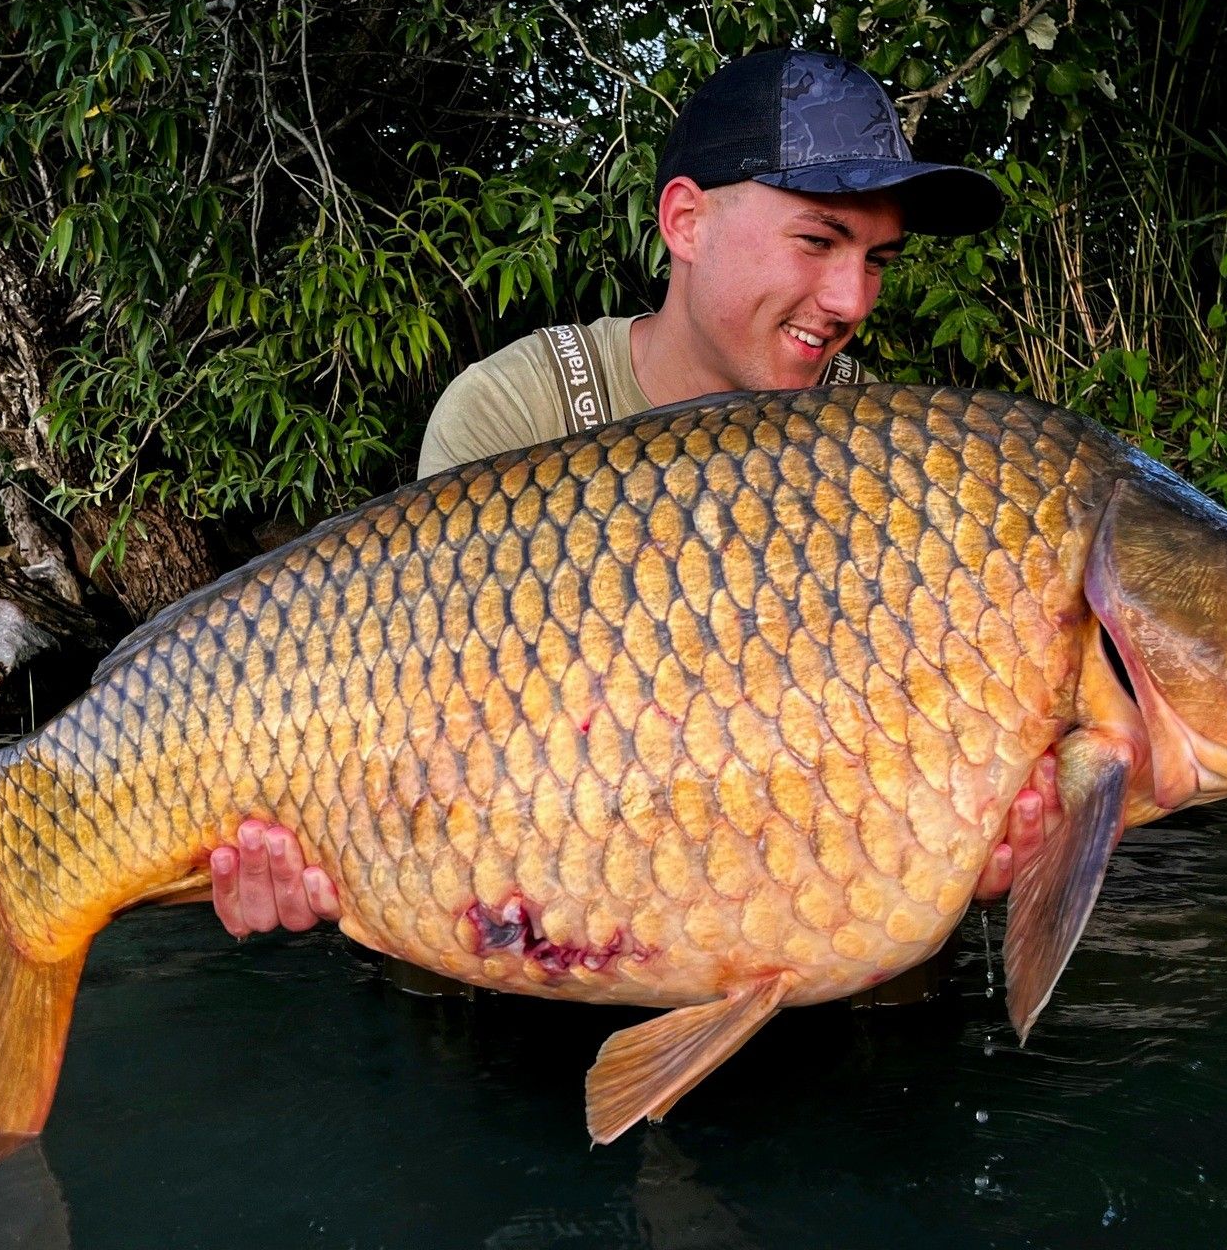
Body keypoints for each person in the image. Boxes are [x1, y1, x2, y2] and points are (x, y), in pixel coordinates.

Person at [203, 48, 1064, 988]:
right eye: (818, 243)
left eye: (876, 260)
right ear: (686, 221)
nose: (851, 299)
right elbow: (425, 749)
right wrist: (311, 843)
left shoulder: (898, 461)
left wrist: (957, 836)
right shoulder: (514, 413)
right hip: (521, 952)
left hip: (795, 945)